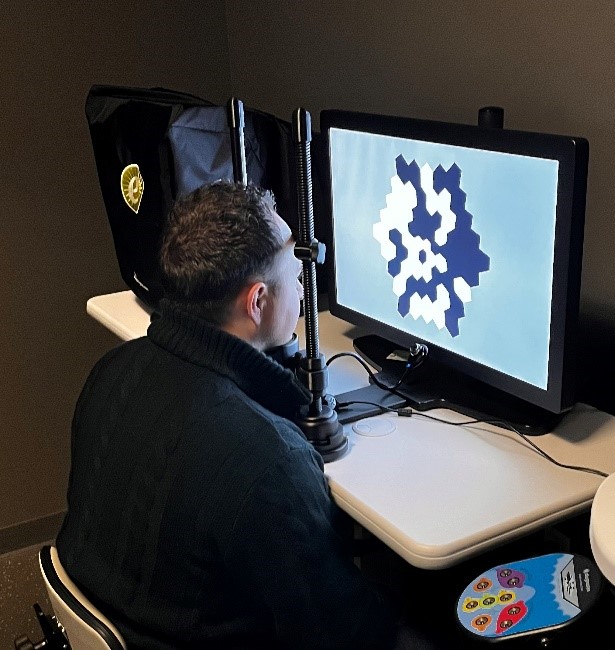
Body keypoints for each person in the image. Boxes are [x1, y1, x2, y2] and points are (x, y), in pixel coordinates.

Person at [56, 181, 407, 648]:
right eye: (295, 273)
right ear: (257, 301)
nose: (304, 285)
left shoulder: (112, 369)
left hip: (123, 613)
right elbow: (344, 635)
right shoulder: (268, 460)